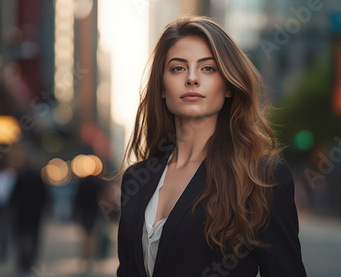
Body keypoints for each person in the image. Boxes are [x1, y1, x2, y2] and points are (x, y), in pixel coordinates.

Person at [116, 16, 306, 277]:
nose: (192, 78)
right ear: (161, 87)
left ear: (228, 85)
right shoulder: (135, 179)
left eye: (208, 68)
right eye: (177, 68)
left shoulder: (262, 176)